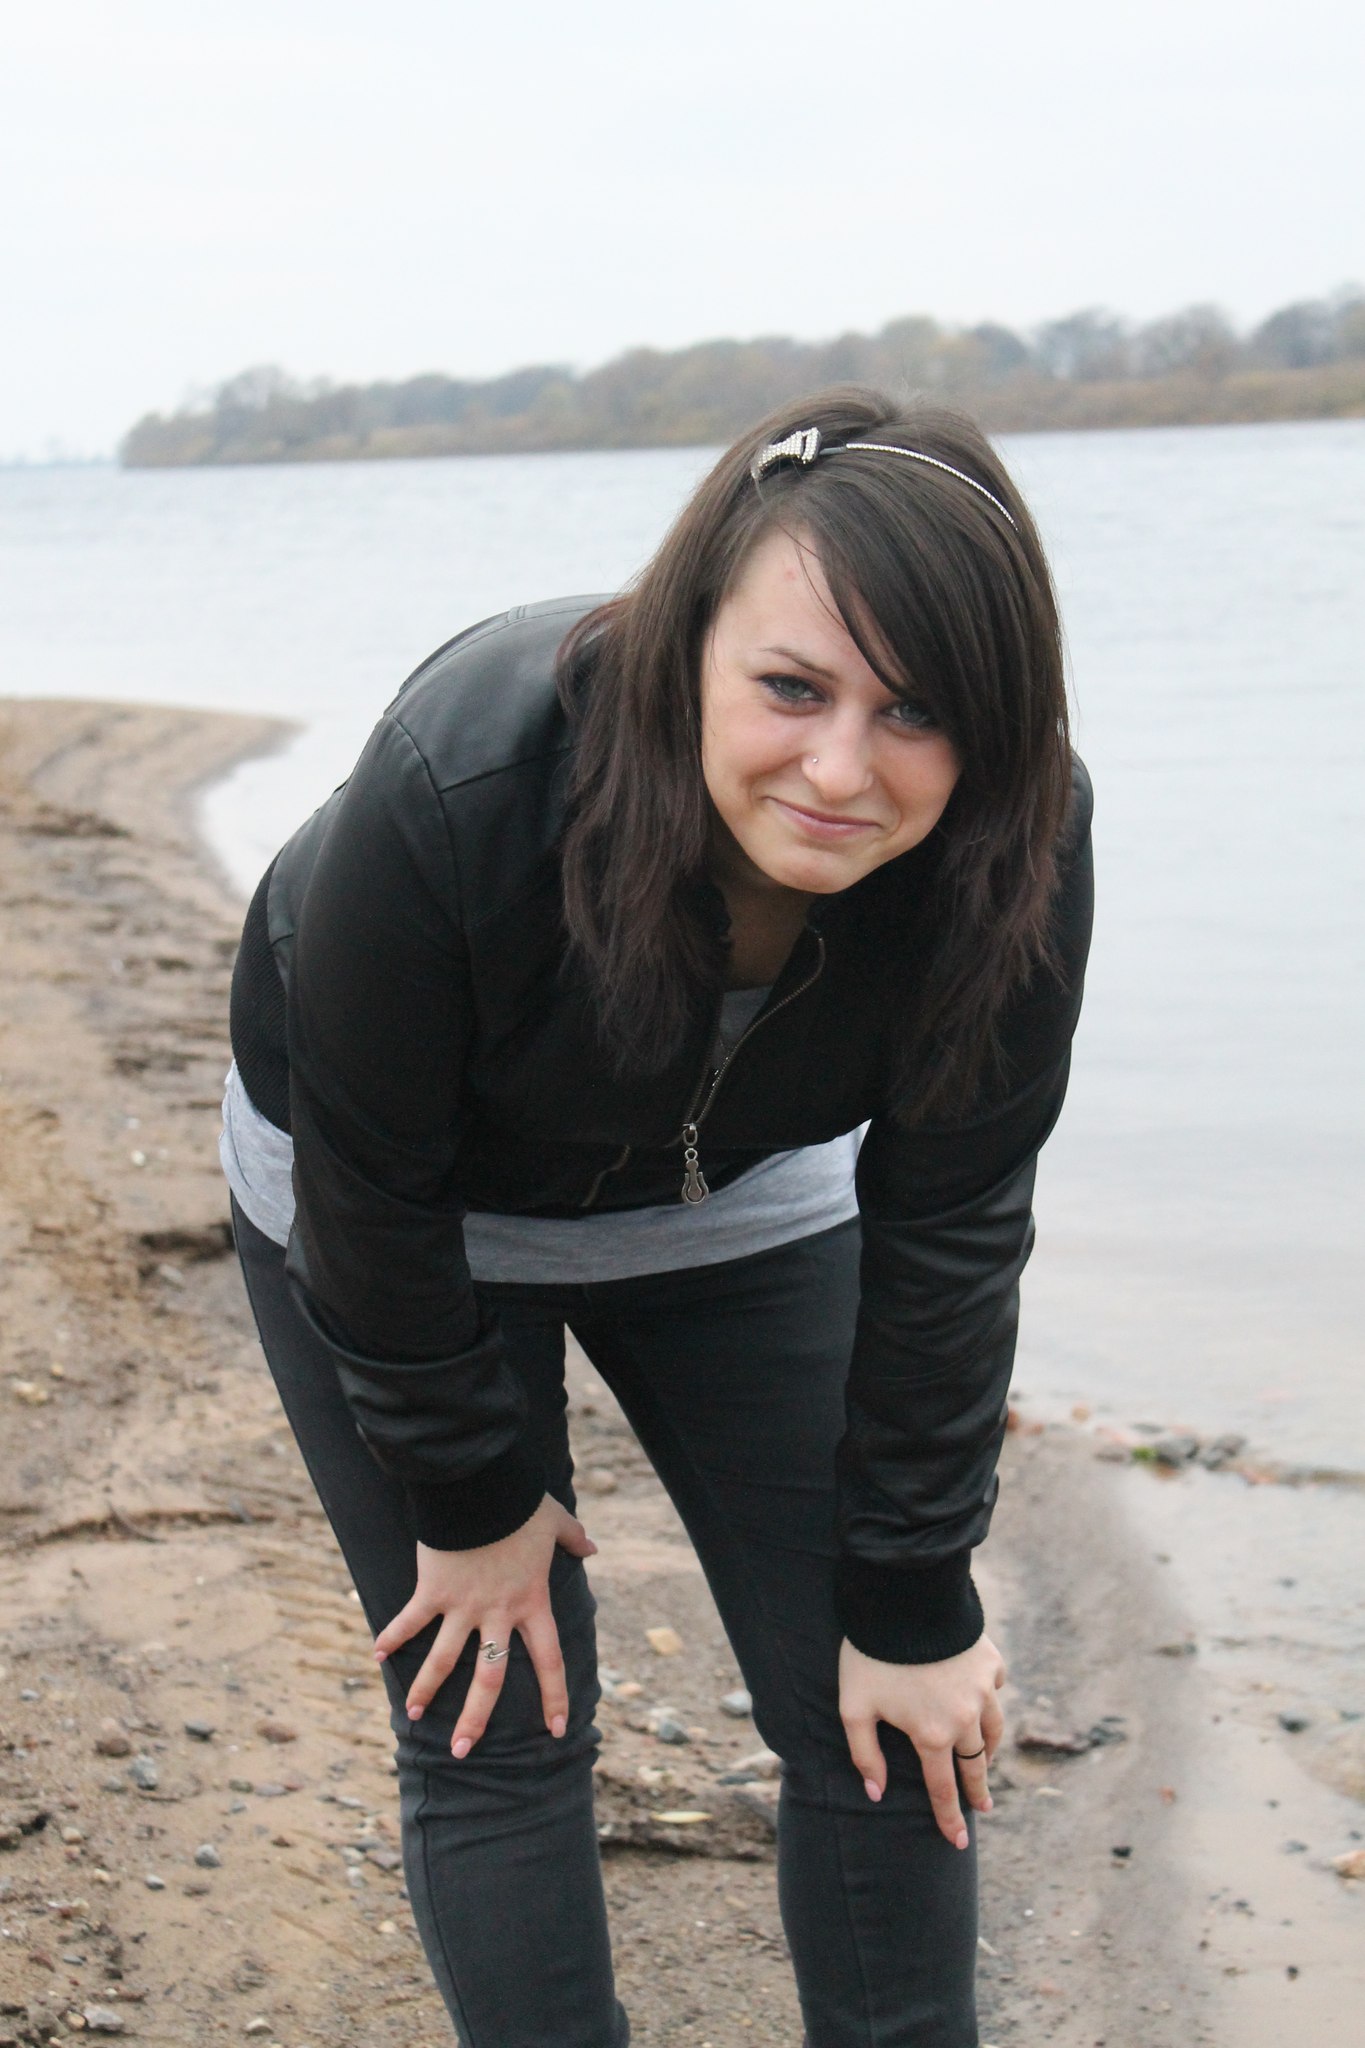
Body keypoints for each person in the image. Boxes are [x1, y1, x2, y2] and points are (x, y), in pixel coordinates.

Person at [221, 386, 1093, 2048]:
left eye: (915, 713)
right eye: (790, 688)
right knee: (496, 1700)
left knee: (881, 1690)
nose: (838, 770)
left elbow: (956, 1215)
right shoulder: (462, 775)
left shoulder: (1021, 848)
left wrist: (919, 1590)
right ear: (690, 641)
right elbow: (368, 1182)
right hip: (401, 1215)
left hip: (737, 1208)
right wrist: (468, 1489)